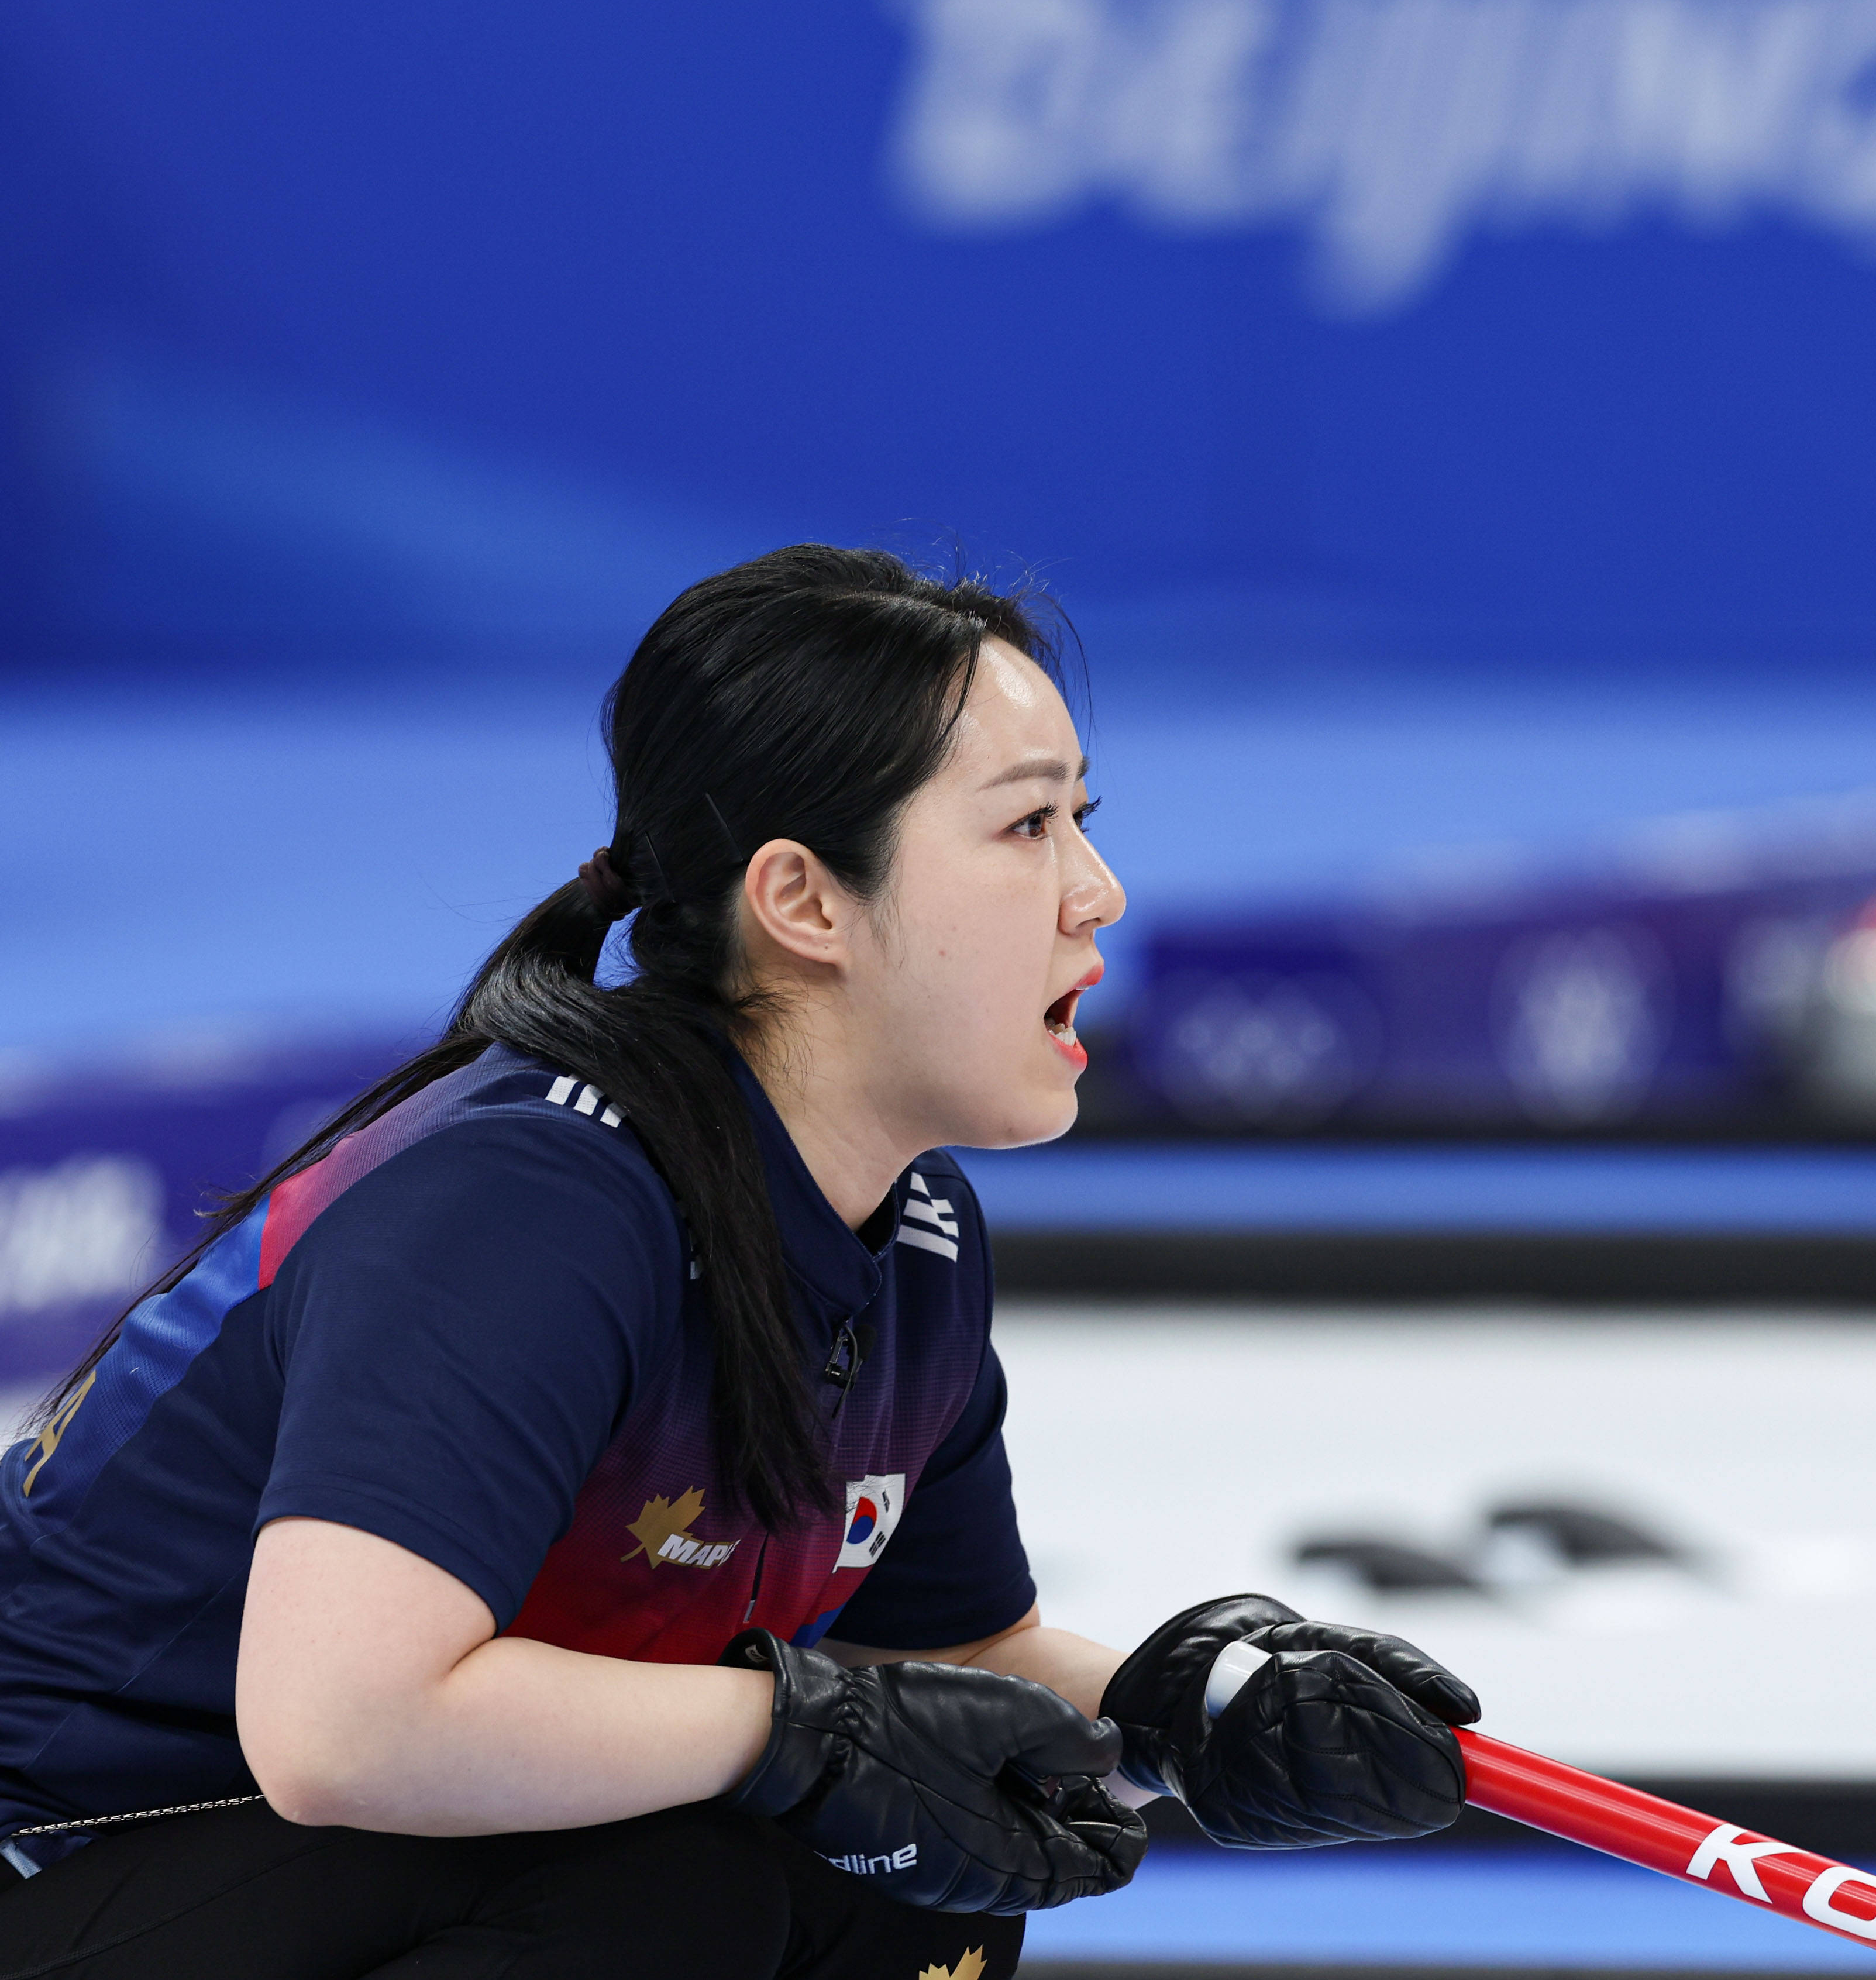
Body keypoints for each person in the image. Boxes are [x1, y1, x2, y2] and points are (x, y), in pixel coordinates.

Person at [0, 546, 1478, 1978]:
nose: (1100, 890)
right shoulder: (534, 1206)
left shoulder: (912, 1231)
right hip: (65, 1851)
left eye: (1082, 821)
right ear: (805, 901)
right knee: (690, 1878)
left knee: (933, 1875)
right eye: (1029, 827)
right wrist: (796, 1729)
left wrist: (1180, 1716)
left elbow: (949, 1661)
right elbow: (344, 1731)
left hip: (260, 1865)